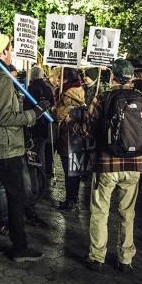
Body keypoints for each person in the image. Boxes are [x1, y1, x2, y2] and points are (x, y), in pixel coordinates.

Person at [72, 59, 142, 273]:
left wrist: (74, 124)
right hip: (134, 165)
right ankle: (125, 259)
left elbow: (87, 130)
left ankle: (97, 257)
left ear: (112, 77)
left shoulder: (102, 98)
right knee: (128, 213)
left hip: (106, 164)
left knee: (100, 211)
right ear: (132, 77)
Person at [0, 31, 50, 261]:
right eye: (10, 48)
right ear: (2, 52)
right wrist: (34, 114)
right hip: (5, 149)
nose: (12, 51)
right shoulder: (3, 78)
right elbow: (5, 116)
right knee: (16, 198)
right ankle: (19, 247)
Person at [54, 68, 85, 210]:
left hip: (68, 137)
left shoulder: (66, 93)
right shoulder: (81, 91)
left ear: (65, 79)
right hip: (79, 137)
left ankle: (70, 201)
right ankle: (74, 199)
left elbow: (60, 115)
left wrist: (55, 110)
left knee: (68, 172)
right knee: (75, 171)